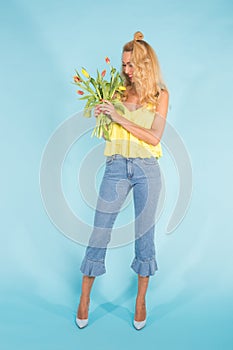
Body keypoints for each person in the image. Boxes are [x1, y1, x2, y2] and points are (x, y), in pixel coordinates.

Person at [76, 31, 169, 330]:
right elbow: (107, 133)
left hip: (146, 169)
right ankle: (85, 298)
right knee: (100, 231)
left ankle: (141, 300)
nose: (126, 70)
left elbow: (154, 137)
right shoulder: (116, 91)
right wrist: (102, 115)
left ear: (144, 64)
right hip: (116, 166)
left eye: (131, 65)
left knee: (145, 235)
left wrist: (120, 120)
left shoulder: (160, 95)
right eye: (124, 64)